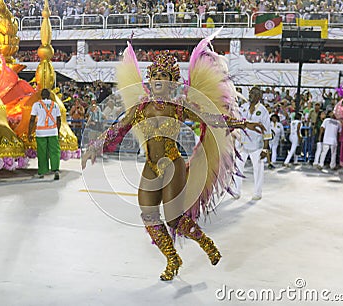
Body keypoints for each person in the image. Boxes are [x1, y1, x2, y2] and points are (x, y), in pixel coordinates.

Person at [81, 39, 265, 281]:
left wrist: (243, 123)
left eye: (164, 74)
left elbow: (210, 117)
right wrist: (94, 147)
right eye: (155, 73)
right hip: (150, 166)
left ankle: (205, 242)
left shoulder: (179, 106)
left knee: (174, 219)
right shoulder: (140, 108)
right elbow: (118, 129)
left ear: (172, 81)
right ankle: (172, 259)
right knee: (148, 216)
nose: (158, 78)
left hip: (173, 165)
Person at [233, 87, 272, 201]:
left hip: (257, 145)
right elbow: (237, 123)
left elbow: (267, 131)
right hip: (242, 144)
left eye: (254, 93)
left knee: (258, 169)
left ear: (259, 96)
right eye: (250, 93)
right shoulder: (243, 108)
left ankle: (257, 192)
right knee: (237, 168)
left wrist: (265, 149)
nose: (251, 95)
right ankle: (236, 191)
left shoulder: (263, 111)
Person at [28, 88, 61, 180]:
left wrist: (29, 132)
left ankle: (42, 172)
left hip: (41, 132)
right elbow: (59, 120)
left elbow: (32, 120)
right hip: (53, 131)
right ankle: (56, 170)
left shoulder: (36, 105)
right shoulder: (55, 105)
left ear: (41, 96)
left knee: (42, 152)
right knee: (54, 151)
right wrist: (57, 131)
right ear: (50, 95)